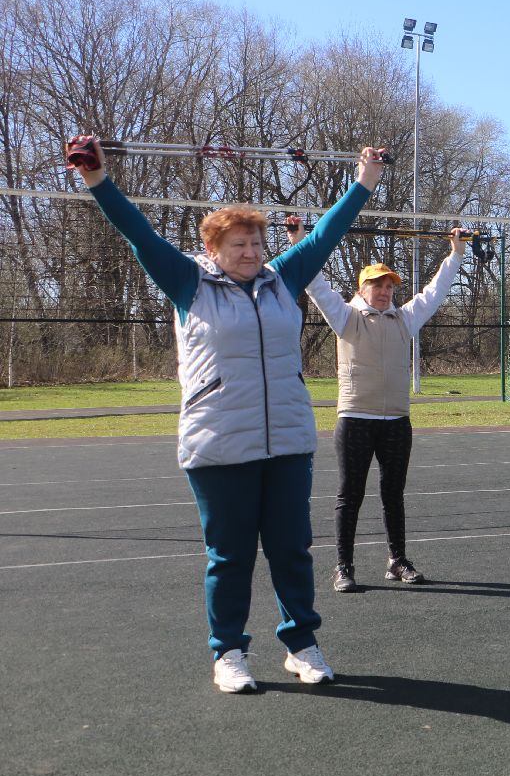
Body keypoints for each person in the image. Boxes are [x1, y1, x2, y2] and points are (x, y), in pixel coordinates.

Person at [66, 134, 386, 693]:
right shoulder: (188, 282)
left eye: (257, 242)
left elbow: (327, 233)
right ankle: (229, 653)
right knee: (230, 556)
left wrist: (365, 182)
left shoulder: (283, 280)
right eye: (239, 244)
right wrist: (98, 179)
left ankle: (302, 643)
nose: (252, 251)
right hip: (217, 446)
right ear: (213, 249)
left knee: (292, 550)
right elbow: (138, 235)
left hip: (286, 443)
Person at [286, 218, 468, 592]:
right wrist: (300, 241)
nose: (385, 291)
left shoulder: (405, 319)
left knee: (393, 494)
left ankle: (397, 560)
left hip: (397, 422)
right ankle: (343, 566)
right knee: (349, 495)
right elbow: (315, 283)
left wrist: (456, 253)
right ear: (362, 289)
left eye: (389, 286)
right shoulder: (346, 318)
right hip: (355, 419)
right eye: (377, 285)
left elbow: (436, 291)